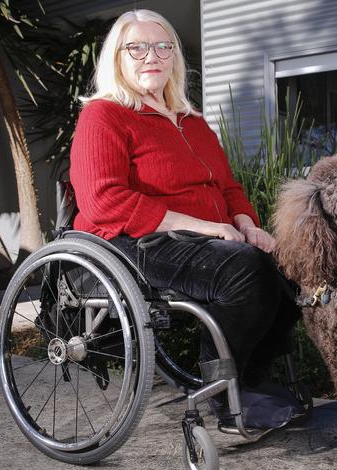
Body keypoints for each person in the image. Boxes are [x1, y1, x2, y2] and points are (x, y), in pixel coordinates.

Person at [69, 10, 301, 426]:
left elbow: (228, 187)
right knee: (245, 271)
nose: (150, 56)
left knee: (294, 266)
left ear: (175, 57)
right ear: (116, 59)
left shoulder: (192, 122)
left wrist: (247, 223)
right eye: (135, 47)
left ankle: (251, 380)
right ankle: (224, 398)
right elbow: (104, 201)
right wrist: (205, 226)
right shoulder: (104, 116)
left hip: (204, 242)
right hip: (133, 242)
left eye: (162, 46)